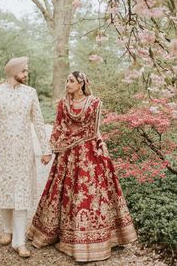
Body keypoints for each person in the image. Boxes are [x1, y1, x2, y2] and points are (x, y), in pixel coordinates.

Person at [27, 71, 137, 262]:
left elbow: (95, 130)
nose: (67, 84)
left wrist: (101, 147)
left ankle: (96, 239)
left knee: (89, 194)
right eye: (66, 80)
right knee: (66, 193)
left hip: (89, 154)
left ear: (81, 83)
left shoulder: (94, 102)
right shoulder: (63, 104)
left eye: (70, 81)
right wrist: (51, 149)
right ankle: (62, 235)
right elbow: (59, 127)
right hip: (68, 155)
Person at [0, 57, 52, 258]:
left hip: (23, 153)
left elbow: (38, 122)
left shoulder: (30, 93)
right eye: (24, 71)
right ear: (14, 71)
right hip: (0, 152)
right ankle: (7, 230)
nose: (26, 74)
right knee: (5, 193)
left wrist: (45, 149)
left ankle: (19, 242)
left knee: (21, 196)